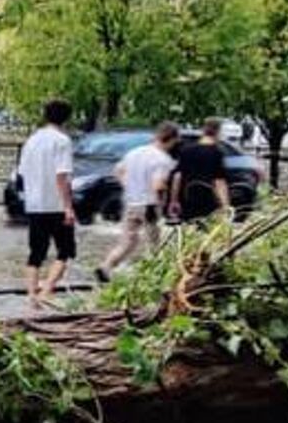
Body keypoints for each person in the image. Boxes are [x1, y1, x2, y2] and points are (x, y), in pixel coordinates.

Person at [95, 122, 179, 282]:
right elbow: (158, 185)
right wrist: (163, 204)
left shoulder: (135, 152)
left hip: (131, 202)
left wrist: (129, 185)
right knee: (155, 243)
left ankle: (105, 267)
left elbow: (118, 170)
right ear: (172, 139)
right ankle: (155, 276)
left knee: (128, 241)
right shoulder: (163, 159)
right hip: (149, 205)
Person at [17, 99, 77, 309]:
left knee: (36, 253)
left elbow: (22, 174)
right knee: (65, 251)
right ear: (67, 118)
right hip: (56, 205)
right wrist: (68, 207)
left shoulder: (32, 140)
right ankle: (47, 290)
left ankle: (32, 297)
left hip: (34, 205)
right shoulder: (62, 141)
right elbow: (62, 176)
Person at [168, 118, 230, 222]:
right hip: (208, 200)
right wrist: (226, 205)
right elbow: (219, 182)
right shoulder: (216, 152)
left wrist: (174, 200)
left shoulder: (186, 150)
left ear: (203, 130)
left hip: (188, 198)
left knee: (188, 231)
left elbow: (177, 176)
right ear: (218, 132)